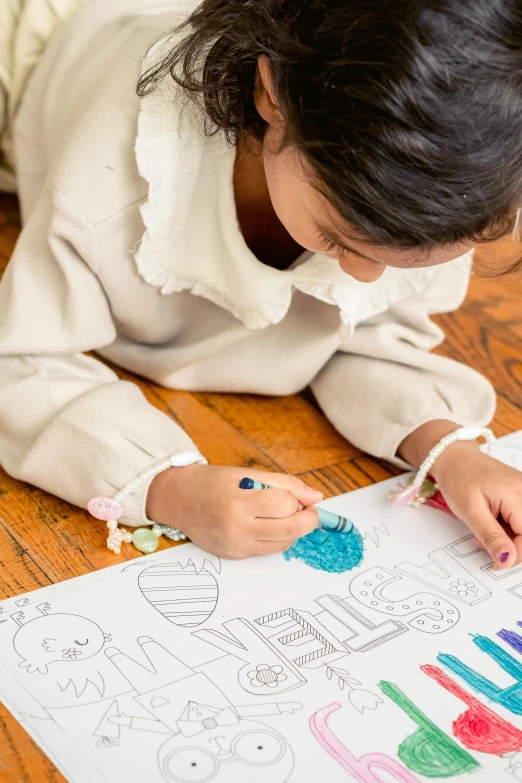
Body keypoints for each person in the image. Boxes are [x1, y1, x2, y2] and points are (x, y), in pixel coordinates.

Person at [1, 0, 522, 564]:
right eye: (339, 241)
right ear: (270, 94)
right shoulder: (114, 174)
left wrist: (450, 447)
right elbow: (20, 361)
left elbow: (367, 332)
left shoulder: (462, 174)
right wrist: (168, 488)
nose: (364, 276)